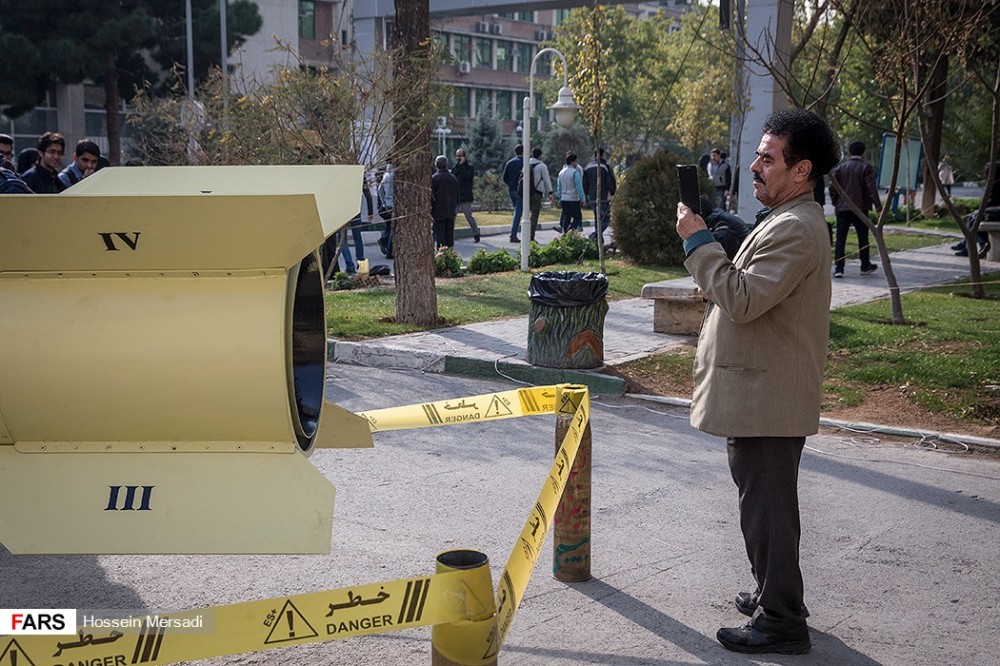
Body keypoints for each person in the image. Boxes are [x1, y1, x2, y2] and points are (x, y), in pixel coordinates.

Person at [675, 107, 839, 656]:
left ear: (800, 172)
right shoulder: (786, 219)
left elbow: (742, 300)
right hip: (763, 393)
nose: (753, 166)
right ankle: (777, 595)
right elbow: (748, 289)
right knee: (765, 508)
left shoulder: (795, 226)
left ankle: (781, 621)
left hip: (767, 397)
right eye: (757, 155)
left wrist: (699, 244)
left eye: (767, 158)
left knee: (768, 512)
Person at [829, 141, 881, 278]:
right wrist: (878, 206)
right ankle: (865, 265)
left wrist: (836, 202)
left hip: (842, 209)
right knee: (863, 237)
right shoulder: (866, 167)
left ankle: (839, 268)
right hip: (860, 208)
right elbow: (871, 189)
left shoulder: (841, 168)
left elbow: (832, 186)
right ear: (863, 153)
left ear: (849, 152)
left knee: (841, 239)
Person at [583, 148, 616, 238]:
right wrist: (612, 192)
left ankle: (599, 242)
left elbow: (585, 183)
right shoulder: (605, 167)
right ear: (602, 155)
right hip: (604, 197)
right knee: (605, 220)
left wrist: (588, 193)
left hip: (593, 197)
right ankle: (595, 235)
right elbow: (610, 182)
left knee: (597, 219)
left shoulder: (587, 167)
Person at [451, 149, 480, 242]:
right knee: (452, 217)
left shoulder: (469, 168)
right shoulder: (455, 167)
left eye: (460, 156)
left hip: (465, 196)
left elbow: (465, 177)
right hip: (456, 196)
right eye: (457, 156)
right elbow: (454, 177)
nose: (458, 158)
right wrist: (459, 166)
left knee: (468, 216)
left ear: (464, 156)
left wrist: (462, 166)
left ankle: (476, 233)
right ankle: (450, 235)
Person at [431, 155, 459, 249]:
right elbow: (457, 196)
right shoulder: (453, 178)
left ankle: (441, 256)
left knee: (440, 237)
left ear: (436, 165)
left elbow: (431, 196)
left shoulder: (434, 178)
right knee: (449, 236)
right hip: (450, 211)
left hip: (438, 211)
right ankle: (450, 256)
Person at [527, 147, 553, 242]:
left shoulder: (526, 164)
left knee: (526, 215)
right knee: (534, 214)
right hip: (536, 193)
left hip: (526, 193)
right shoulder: (542, 166)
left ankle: (526, 234)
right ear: (540, 155)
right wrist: (550, 192)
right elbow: (547, 180)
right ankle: (531, 235)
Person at [557, 152, 586, 233]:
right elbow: (579, 187)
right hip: (573, 199)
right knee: (577, 218)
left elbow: (559, 188)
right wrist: (582, 198)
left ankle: (565, 234)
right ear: (572, 162)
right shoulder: (575, 172)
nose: (576, 163)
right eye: (576, 161)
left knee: (566, 218)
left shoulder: (561, 172)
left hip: (564, 199)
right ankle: (569, 231)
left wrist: (559, 199)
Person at [502, 144, 524, 243]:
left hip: (512, 190)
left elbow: (504, 178)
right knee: (518, 213)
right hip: (521, 191)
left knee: (517, 211)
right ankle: (513, 234)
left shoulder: (510, 163)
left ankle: (515, 233)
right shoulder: (525, 163)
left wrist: (511, 184)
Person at [377, 162, 394, 258]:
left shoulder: (386, 175)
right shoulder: (395, 175)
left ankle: (384, 241)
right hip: (394, 204)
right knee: (393, 228)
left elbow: (380, 189)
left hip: (387, 204)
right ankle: (388, 249)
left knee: (389, 225)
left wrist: (384, 202)